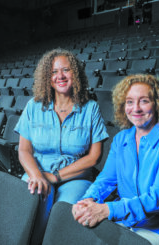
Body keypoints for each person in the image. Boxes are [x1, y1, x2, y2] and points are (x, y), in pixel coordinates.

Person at [72, 74, 159, 245]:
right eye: (130, 102)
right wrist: (89, 199)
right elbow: (106, 179)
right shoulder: (121, 139)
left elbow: (158, 199)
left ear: (157, 104)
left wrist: (107, 210)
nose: (136, 108)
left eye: (144, 101)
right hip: (129, 219)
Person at [14, 48, 109, 244]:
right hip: (38, 172)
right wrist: (37, 176)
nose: (60, 76)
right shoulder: (33, 105)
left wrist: (55, 176)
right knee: (30, 210)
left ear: (75, 74)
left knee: (63, 217)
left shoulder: (90, 108)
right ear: (47, 78)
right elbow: (24, 150)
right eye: (54, 72)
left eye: (66, 70)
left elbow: (94, 157)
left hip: (76, 178)